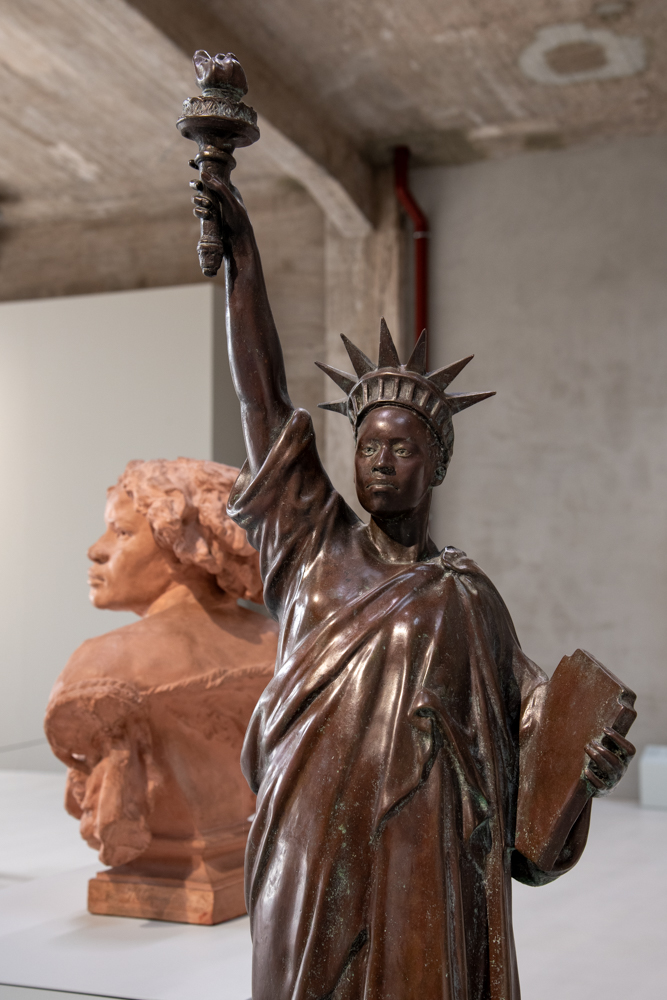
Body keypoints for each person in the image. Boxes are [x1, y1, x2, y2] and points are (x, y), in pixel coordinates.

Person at [193, 167, 635, 996]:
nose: (381, 462)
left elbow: (531, 718)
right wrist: (240, 255)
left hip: (422, 853)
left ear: (434, 466)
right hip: (308, 839)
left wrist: (585, 760)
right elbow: (262, 401)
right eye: (368, 447)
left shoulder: (464, 595)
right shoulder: (310, 542)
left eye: (401, 449)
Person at [45, 458, 278, 923]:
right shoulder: (284, 643)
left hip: (171, 885)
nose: (96, 550)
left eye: (121, 533)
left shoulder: (104, 663)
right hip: (245, 861)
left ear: (182, 549)